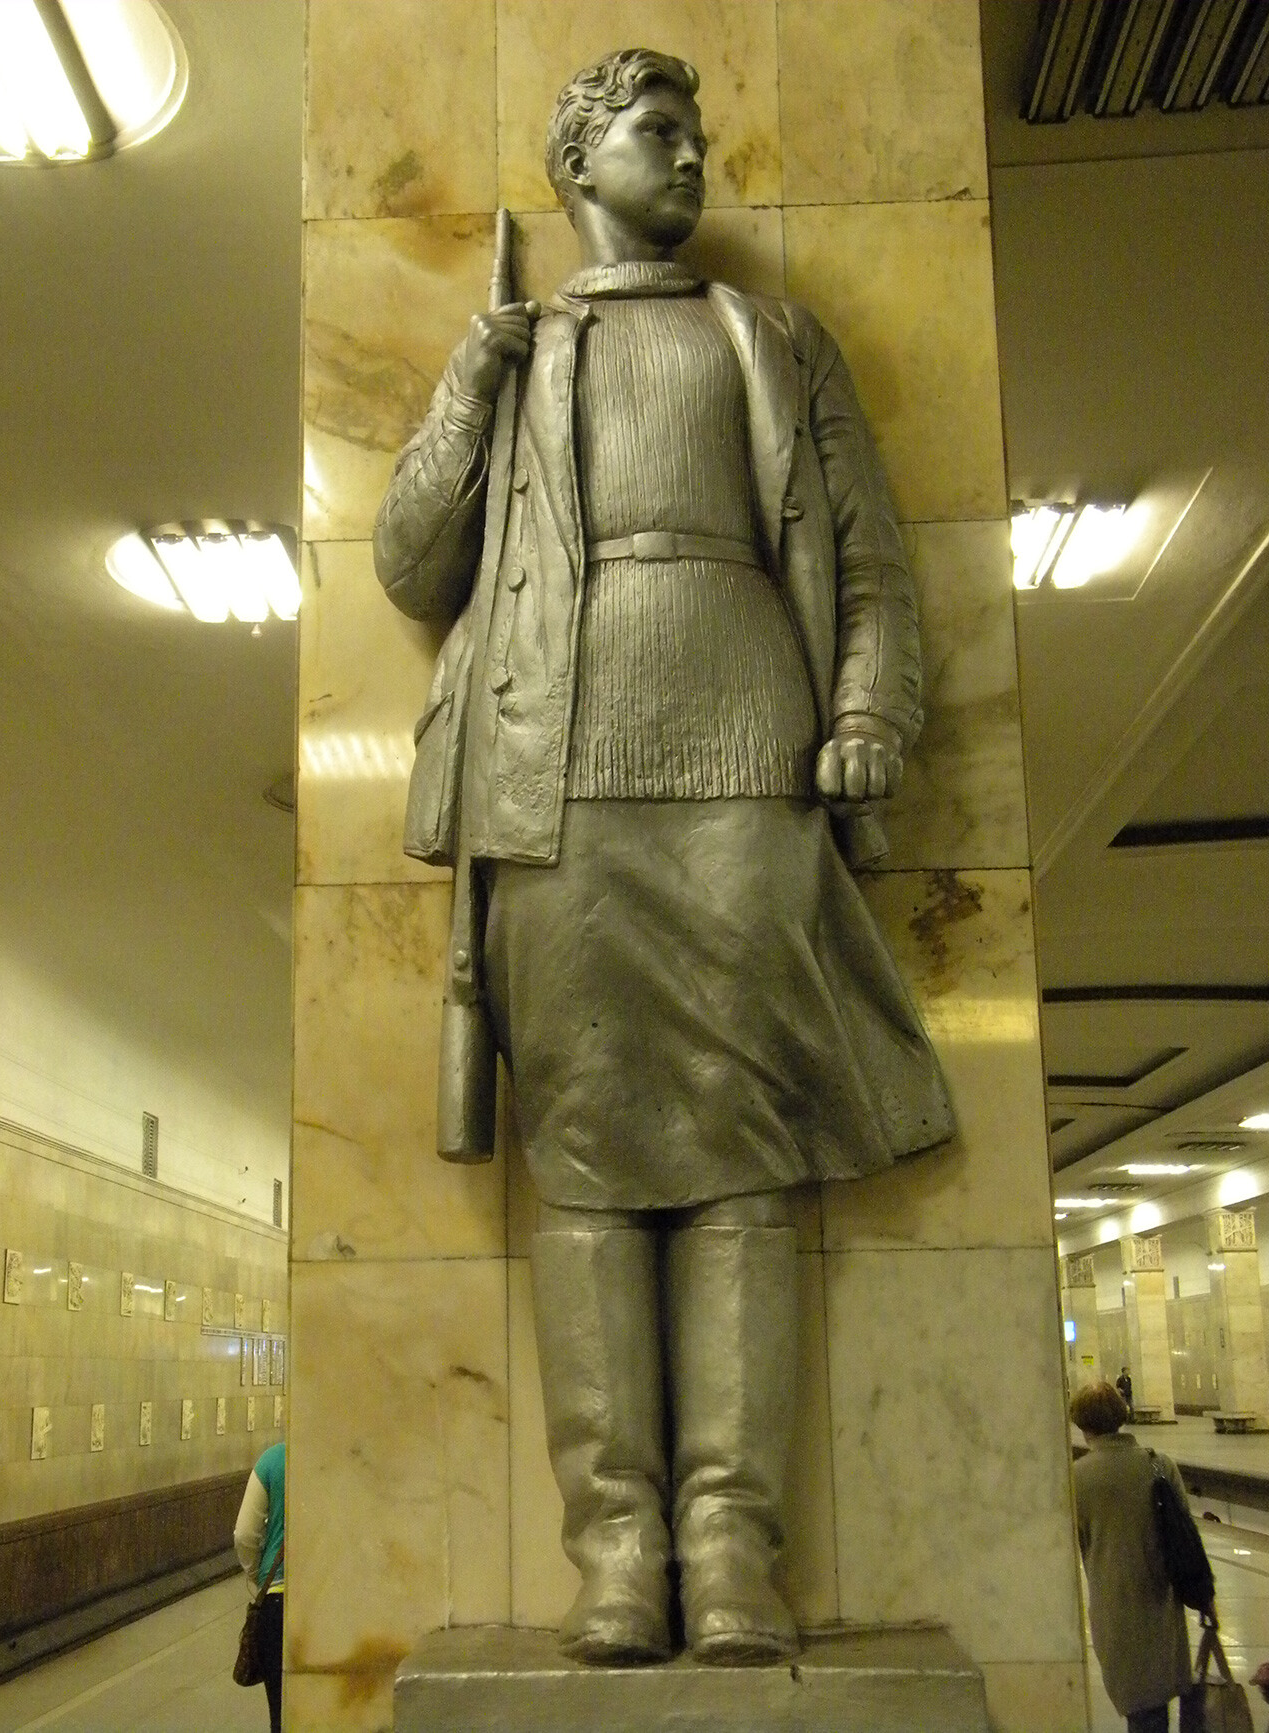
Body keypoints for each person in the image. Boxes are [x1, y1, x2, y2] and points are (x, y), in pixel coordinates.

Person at [374, 47, 953, 1667]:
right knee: (583, 1154)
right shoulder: (524, 344)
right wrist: (471, 378)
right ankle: (617, 1547)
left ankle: (730, 1539)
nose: (688, 155)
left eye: (695, 133)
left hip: (746, 762)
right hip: (549, 775)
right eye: (655, 130)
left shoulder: (767, 336)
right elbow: (416, 564)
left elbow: (875, 563)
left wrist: (867, 716)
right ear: (579, 161)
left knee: (745, 1149)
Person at [1070, 1381, 1213, 1731]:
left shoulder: (1076, 1478)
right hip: (1163, 1601)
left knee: (1142, 1706)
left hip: (1114, 1604)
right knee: (1164, 1691)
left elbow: (1078, 1541)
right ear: (1121, 1416)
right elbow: (1187, 1537)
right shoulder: (1159, 1465)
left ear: (1082, 1424)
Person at [234, 1440, 285, 1732]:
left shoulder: (273, 1459)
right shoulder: (336, 1456)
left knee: (280, 1712)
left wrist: (259, 1575)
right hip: (325, 1599)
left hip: (277, 1600)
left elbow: (244, 1534)